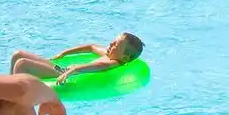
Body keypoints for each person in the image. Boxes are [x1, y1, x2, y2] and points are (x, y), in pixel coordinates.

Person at [9, 34, 144, 86]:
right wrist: (64, 53)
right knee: (18, 54)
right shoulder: (110, 54)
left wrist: (72, 70)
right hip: (62, 69)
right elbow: (91, 47)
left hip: (62, 73)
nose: (110, 44)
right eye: (113, 41)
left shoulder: (113, 62)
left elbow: (96, 66)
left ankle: (11, 101)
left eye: (115, 45)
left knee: (22, 64)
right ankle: (8, 87)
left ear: (125, 57)